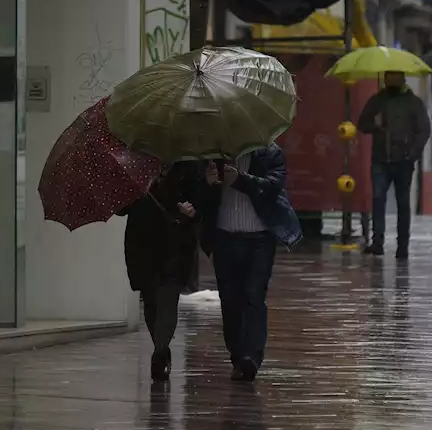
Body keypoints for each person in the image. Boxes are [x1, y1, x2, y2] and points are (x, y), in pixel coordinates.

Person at [197, 145, 302, 382]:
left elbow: (273, 187)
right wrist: (207, 183)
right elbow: (199, 199)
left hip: (259, 237)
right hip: (224, 236)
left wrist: (240, 179)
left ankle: (252, 357)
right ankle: (237, 356)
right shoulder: (212, 155)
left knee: (254, 296)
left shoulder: (270, 152)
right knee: (230, 299)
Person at [118, 163, 199, 381]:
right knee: (151, 300)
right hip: (142, 244)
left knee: (168, 298)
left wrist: (190, 211)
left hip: (175, 245)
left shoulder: (189, 167)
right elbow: (120, 209)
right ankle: (160, 347)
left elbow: (202, 202)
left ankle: (160, 351)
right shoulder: (135, 168)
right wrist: (133, 190)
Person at [357, 71, 432, 258]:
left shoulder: (413, 102)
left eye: (394, 76)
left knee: (403, 203)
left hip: (403, 160)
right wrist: (374, 124)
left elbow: (423, 130)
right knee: (378, 199)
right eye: (388, 76)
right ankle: (377, 242)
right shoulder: (377, 101)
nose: (390, 80)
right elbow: (362, 124)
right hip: (380, 158)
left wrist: (412, 154)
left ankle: (403, 245)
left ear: (402, 78)